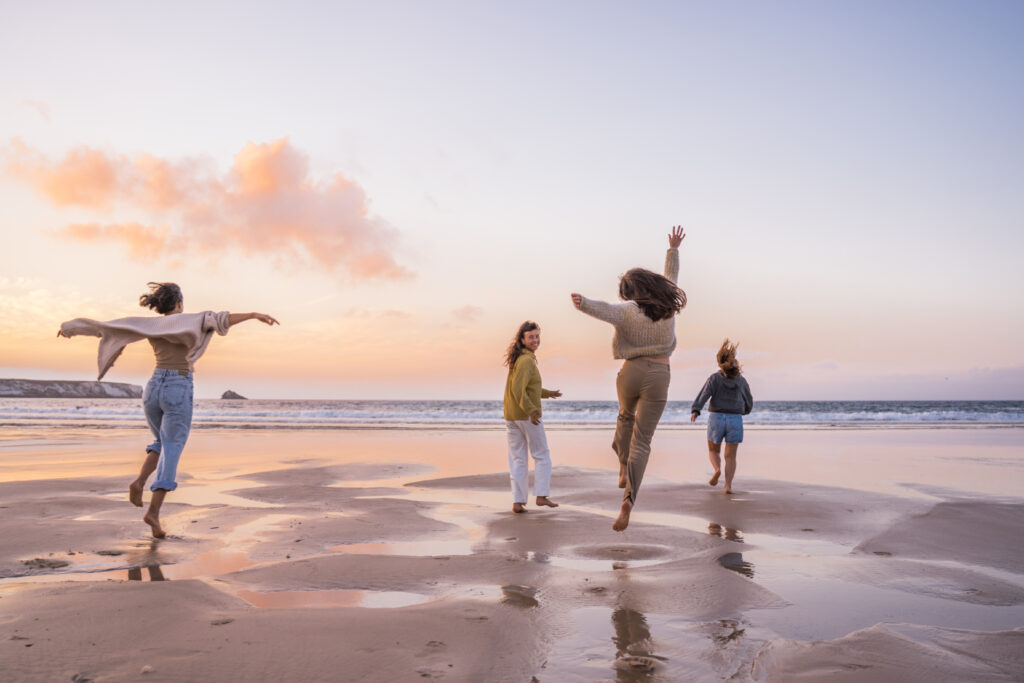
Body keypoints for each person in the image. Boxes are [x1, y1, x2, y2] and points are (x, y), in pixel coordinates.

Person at [58, 282, 278, 538]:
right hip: (177, 385)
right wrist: (253, 315)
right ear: (179, 303)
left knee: (161, 442)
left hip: (152, 388)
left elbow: (107, 328)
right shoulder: (194, 320)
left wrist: (69, 329)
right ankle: (153, 512)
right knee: (172, 447)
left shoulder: (148, 325)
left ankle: (140, 481)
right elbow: (222, 319)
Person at [571, 227, 687, 531]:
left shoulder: (625, 312)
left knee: (625, 416)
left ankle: (621, 464)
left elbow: (604, 309)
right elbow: (671, 277)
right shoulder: (667, 307)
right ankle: (629, 499)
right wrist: (673, 249)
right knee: (643, 441)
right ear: (651, 284)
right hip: (660, 375)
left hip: (631, 373)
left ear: (630, 292)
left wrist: (582, 302)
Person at [503, 321, 562, 513]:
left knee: (518, 459)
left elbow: (529, 388)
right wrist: (531, 411)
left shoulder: (520, 359)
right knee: (542, 455)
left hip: (512, 416)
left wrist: (548, 393)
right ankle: (542, 496)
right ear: (522, 339)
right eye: (531, 337)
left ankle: (518, 502)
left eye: (537, 336)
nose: (535, 340)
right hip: (526, 415)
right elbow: (518, 389)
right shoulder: (527, 361)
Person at [690, 339, 753, 494]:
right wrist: (745, 410)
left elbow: (704, 395)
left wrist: (696, 410)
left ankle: (717, 469)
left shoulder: (714, 378)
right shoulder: (741, 380)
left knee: (713, 451)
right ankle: (728, 486)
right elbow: (748, 400)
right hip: (735, 419)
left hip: (716, 418)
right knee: (730, 457)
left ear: (719, 362)